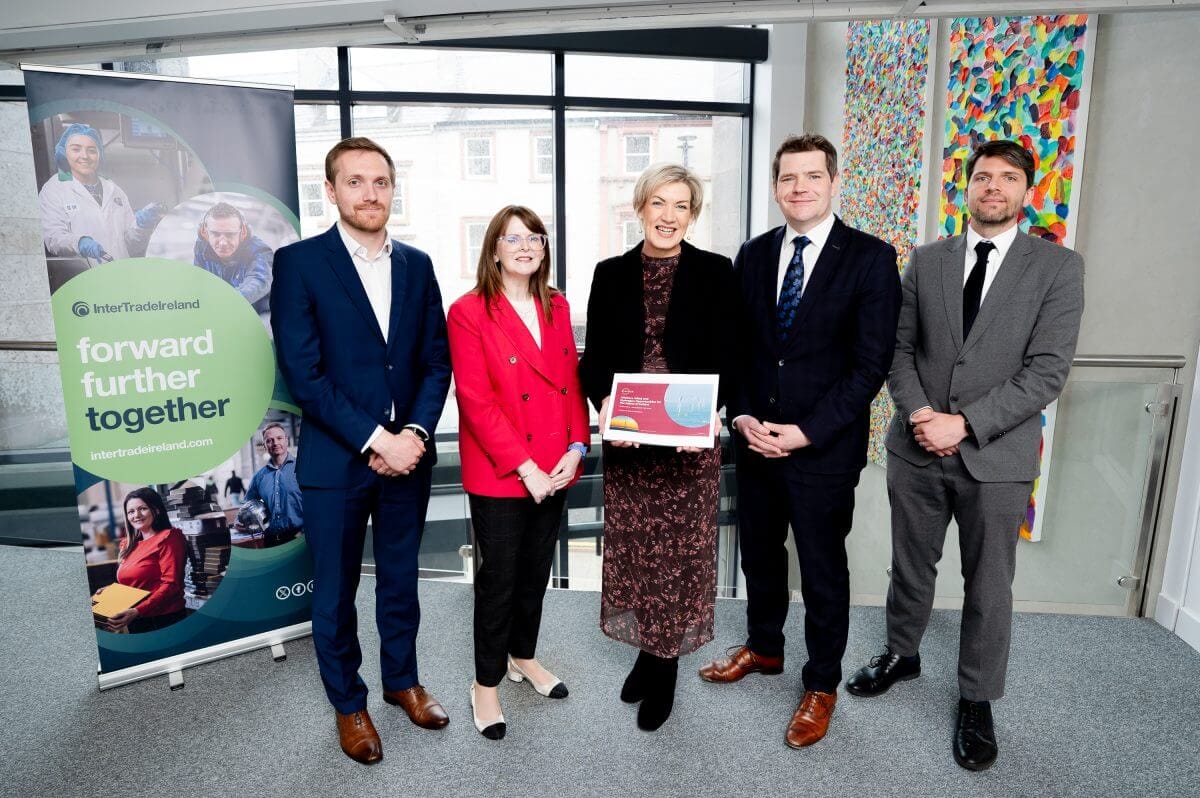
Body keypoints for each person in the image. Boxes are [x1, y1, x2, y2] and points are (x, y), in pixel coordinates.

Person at [847, 139, 1084, 771]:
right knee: (910, 564)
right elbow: (898, 350)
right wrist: (922, 417)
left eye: (1008, 178)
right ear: (967, 186)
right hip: (917, 447)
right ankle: (902, 654)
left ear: (1026, 191)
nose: (993, 187)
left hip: (997, 456)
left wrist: (965, 424)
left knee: (988, 582)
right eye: (983, 176)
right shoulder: (927, 260)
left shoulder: (1058, 268)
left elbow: (1047, 371)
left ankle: (976, 696)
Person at [698, 134, 902, 749]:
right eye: (788, 177)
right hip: (756, 441)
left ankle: (821, 684)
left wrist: (807, 431)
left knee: (820, 569)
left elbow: (870, 365)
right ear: (775, 187)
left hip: (823, 450)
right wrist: (740, 415)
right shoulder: (754, 254)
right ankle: (764, 647)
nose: (800, 187)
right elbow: (737, 349)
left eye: (813, 176)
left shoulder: (870, 258)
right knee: (759, 556)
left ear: (834, 183)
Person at [271, 136, 452, 765]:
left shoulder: (418, 265)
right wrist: (379, 440)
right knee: (335, 593)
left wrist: (415, 436)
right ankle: (349, 704)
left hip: (409, 459)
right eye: (355, 181)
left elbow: (436, 362)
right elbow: (304, 375)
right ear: (330, 190)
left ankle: (402, 680)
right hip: (336, 462)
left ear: (392, 188)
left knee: (401, 582)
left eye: (380, 181)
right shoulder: (300, 263)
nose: (370, 193)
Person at [578, 163, 737, 732]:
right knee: (640, 551)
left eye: (681, 206)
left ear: (692, 215)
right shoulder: (610, 273)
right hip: (631, 440)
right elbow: (595, 357)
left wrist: (713, 412)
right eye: (659, 203)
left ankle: (664, 665)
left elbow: (732, 355)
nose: (669, 216)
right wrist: (603, 402)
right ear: (641, 207)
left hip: (688, 442)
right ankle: (648, 651)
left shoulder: (716, 272)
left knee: (680, 554)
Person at [447, 205, 589, 741]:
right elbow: (475, 401)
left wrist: (577, 447)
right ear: (493, 250)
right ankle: (485, 683)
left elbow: (571, 383)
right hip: (503, 469)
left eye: (535, 238)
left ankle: (522, 657)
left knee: (535, 572)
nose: (526, 247)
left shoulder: (557, 304)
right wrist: (526, 467)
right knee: (499, 581)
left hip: (555, 464)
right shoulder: (468, 311)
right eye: (513, 239)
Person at [38, 122, 164, 263]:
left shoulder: (114, 190)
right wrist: (79, 243)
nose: (84, 156)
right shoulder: (54, 189)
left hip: (120, 271)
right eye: (76, 149)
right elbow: (53, 238)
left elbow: (131, 246)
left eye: (91, 150)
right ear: (64, 153)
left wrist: (142, 227)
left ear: (99, 155)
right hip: (84, 273)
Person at [99, 487, 187, 634]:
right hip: (135, 618)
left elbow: (172, 585)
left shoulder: (169, 538)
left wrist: (138, 610)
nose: (136, 515)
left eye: (143, 509)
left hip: (163, 620)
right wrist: (112, 593)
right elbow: (135, 584)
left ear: (156, 510)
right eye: (131, 512)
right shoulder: (128, 544)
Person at [193, 201, 273, 309]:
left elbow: (259, 280)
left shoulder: (260, 251)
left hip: (257, 311)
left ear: (243, 232)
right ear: (204, 232)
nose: (223, 243)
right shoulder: (202, 248)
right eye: (215, 234)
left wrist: (226, 302)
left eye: (230, 234)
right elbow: (199, 280)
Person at [242, 423, 303, 547]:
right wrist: (241, 519)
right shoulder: (259, 477)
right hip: (271, 541)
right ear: (265, 446)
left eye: (279, 438)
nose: (275, 443)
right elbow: (247, 505)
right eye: (269, 440)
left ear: (286, 440)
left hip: (299, 538)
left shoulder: (303, 468)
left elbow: (318, 504)